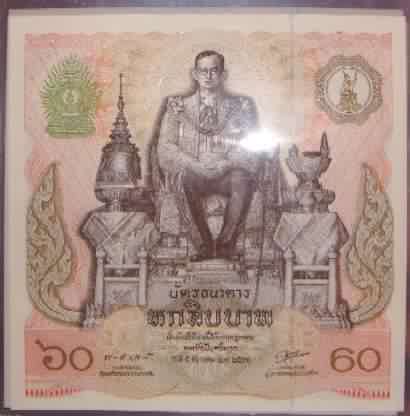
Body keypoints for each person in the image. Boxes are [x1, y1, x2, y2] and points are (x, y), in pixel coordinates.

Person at [152, 50, 264, 260]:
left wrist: (225, 164)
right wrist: (193, 164)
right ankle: (203, 245)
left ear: (223, 75)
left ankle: (225, 245)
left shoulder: (241, 107)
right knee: (184, 178)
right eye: (203, 71)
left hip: (227, 173)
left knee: (242, 180)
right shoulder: (177, 107)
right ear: (194, 74)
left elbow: (251, 146)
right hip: (194, 172)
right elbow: (165, 147)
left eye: (214, 70)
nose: (208, 76)